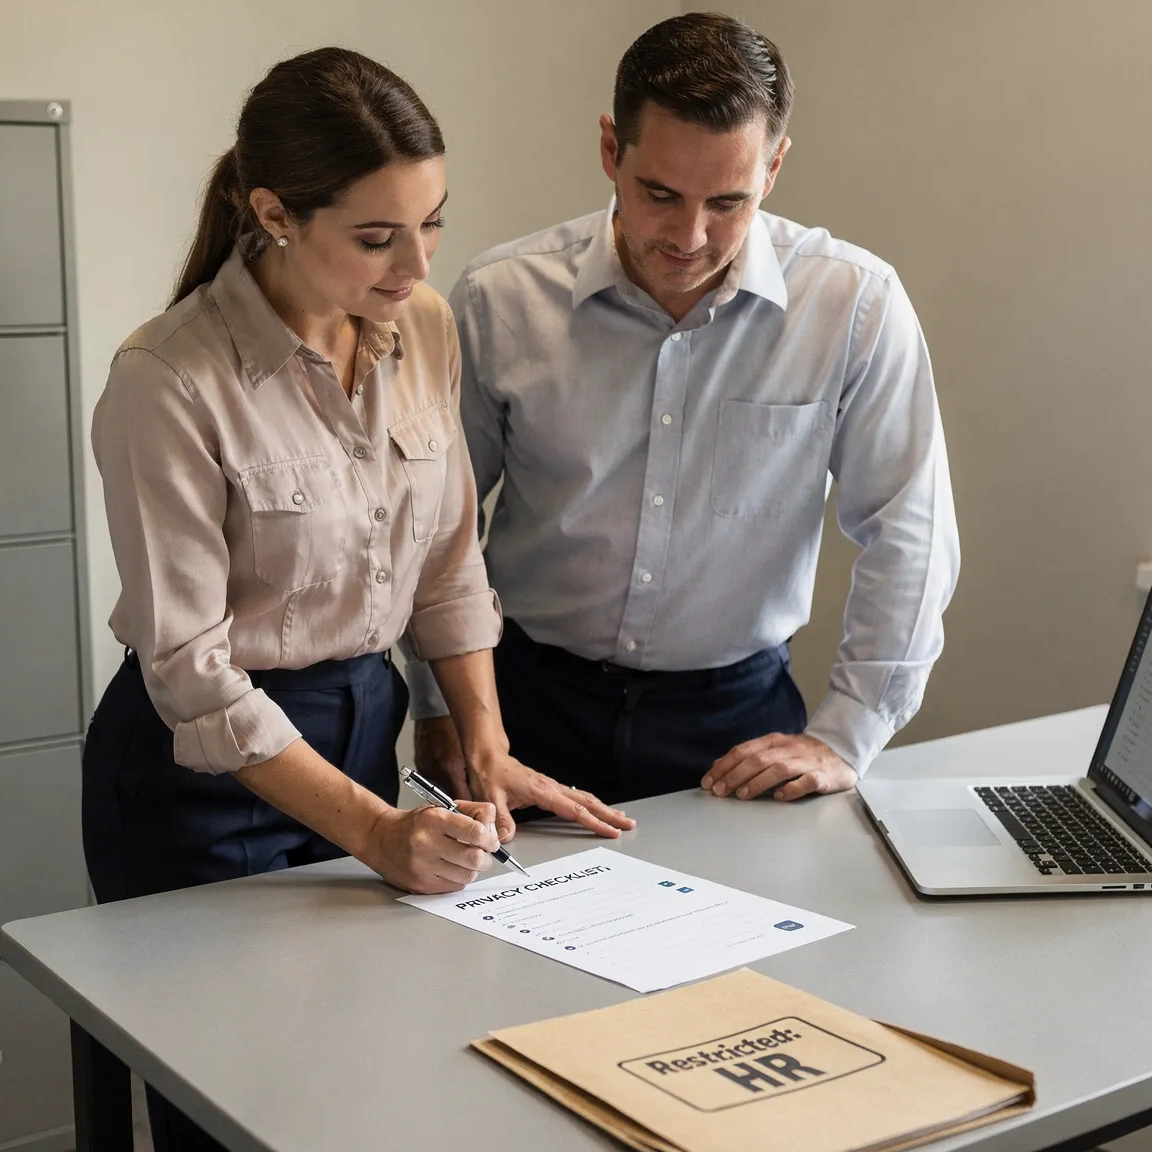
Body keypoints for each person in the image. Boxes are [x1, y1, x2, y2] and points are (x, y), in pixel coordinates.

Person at [84, 47, 632, 1152]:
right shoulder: (167, 380)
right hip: (200, 774)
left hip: (360, 724)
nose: (415, 262)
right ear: (274, 212)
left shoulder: (421, 323)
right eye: (377, 237)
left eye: (431, 223)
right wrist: (378, 834)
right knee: (233, 1111)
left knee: (353, 1088)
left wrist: (483, 746)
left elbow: (445, 563)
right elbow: (190, 671)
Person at [409, 13, 960, 810]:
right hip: (522, 708)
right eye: (658, 194)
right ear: (611, 149)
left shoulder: (854, 306)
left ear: (774, 168)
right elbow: (436, 530)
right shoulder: (502, 299)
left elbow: (911, 529)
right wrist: (438, 708)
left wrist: (850, 731)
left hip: (737, 725)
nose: (690, 236)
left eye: (728, 201)